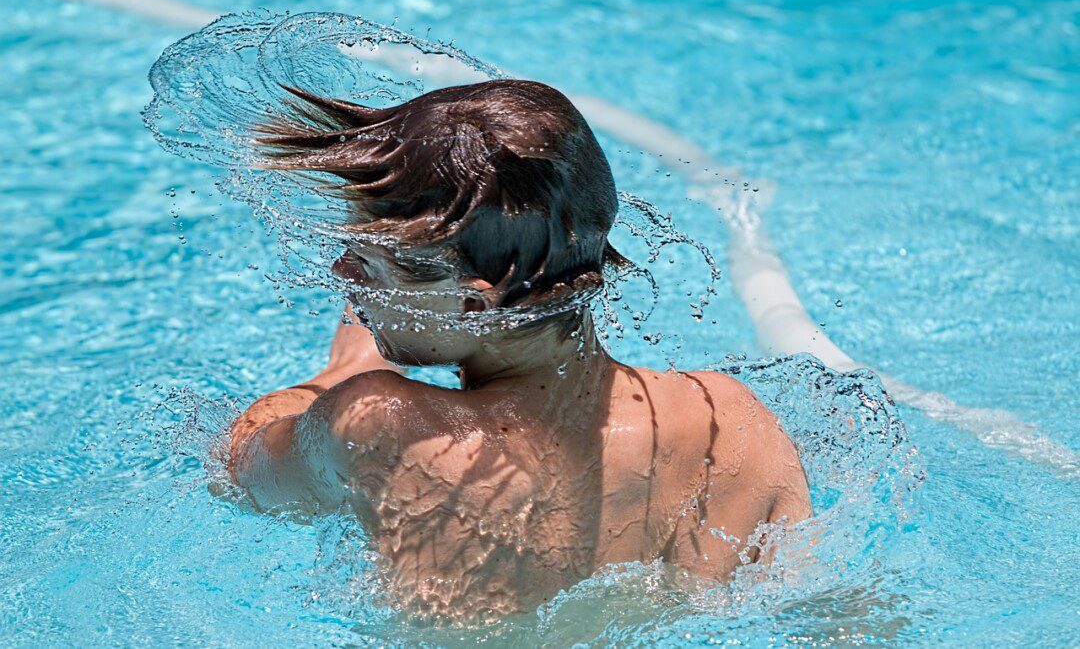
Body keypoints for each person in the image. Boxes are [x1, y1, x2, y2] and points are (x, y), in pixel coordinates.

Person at [228, 79, 811, 619]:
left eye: (368, 264)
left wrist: (348, 369)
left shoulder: (381, 425)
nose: (343, 275)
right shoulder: (733, 420)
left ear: (475, 305)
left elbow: (239, 467)